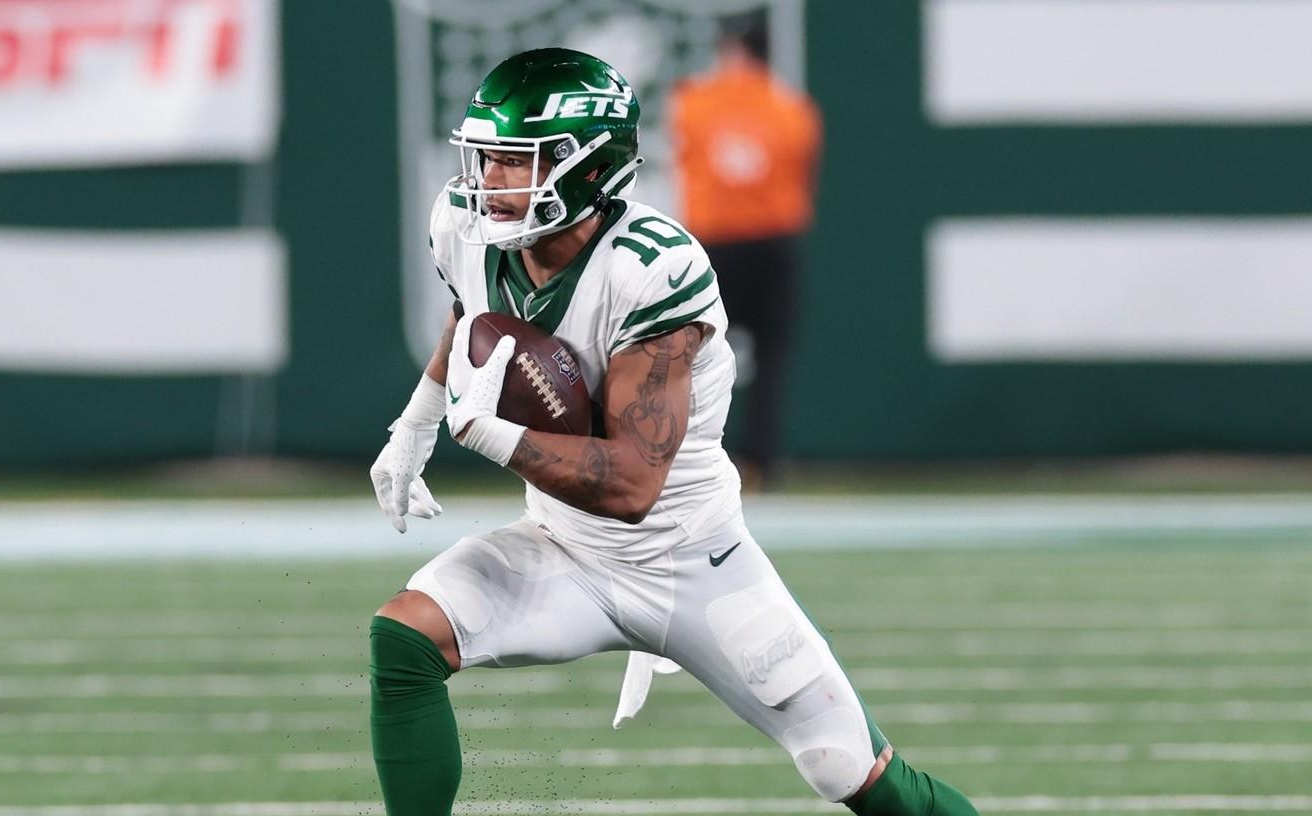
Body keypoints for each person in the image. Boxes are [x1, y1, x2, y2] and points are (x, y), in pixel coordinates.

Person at [367, 48, 977, 816]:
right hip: (562, 547)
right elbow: (476, 318)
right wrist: (416, 423)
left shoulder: (652, 269)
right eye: (484, 157)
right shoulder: (465, 225)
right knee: (404, 639)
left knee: (845, 766)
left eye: (510, 162)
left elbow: (630, 486)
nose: (485, 181)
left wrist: (481, 431)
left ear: (585, 170)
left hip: (690, 557)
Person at [670, 14, 822, 490]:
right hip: (771, 244)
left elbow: (686, 156)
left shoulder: (693, 102)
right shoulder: (793, 109)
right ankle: (761, 463)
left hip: (713, 246)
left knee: (687, 357)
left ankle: (684, 462)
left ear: (732, 48)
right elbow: (801, 174)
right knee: (770, 360)